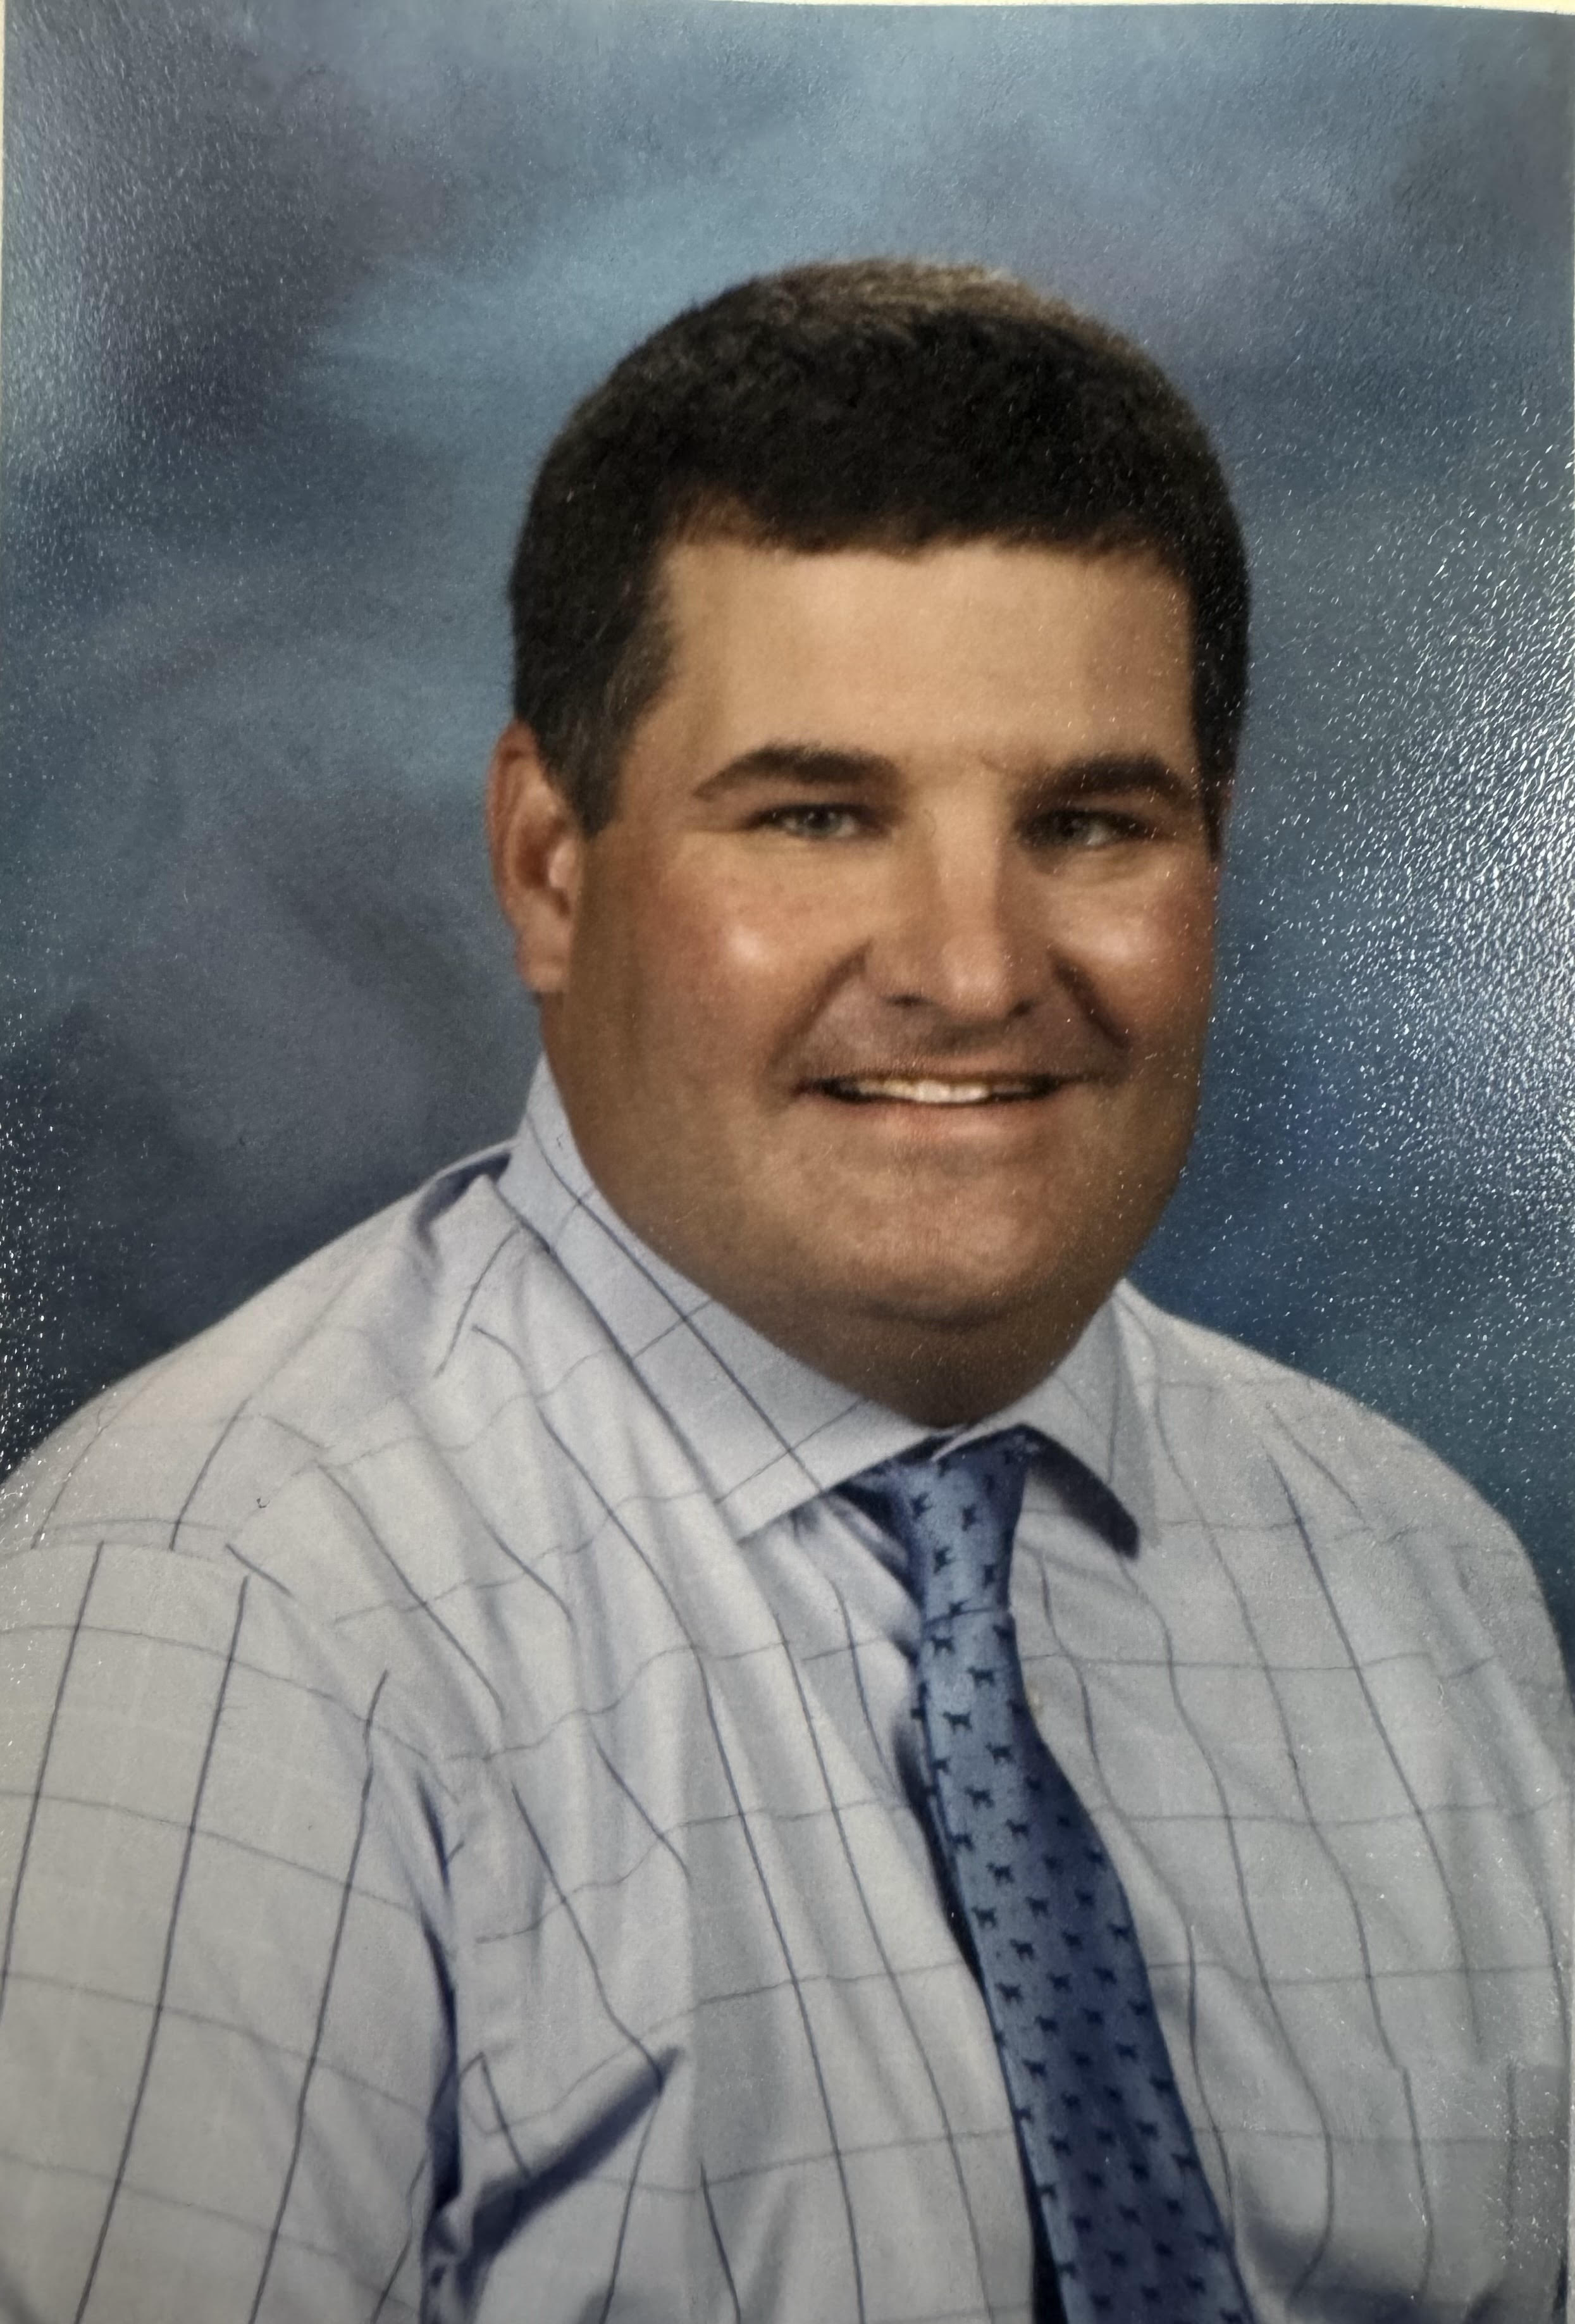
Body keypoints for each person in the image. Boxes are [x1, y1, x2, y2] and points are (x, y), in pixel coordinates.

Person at [0, 260, 1567, 2324]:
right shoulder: (219, 1619)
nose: (974, 970)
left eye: (1092, 823)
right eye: (819, 815)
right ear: (550, 867)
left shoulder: (1424, 1588)